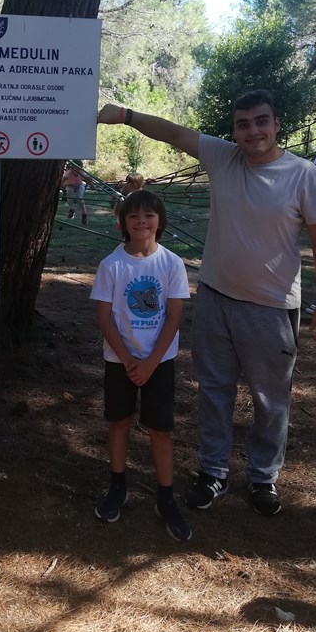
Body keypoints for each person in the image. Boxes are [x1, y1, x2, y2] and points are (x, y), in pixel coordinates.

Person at [98, 90, 316, 516]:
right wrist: (126, 115)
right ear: (235, 130)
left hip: (272, 306)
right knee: (214, 390)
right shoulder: (223, 157)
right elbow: (173, 133)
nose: (253, 131)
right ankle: (213, 473)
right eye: (243, 124)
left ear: (276, 124)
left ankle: (264, 477)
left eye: (261, 121)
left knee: (270, 398)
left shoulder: (304, 175)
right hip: (215, 298)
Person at [90, 190, 192, 541]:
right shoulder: (112, 265)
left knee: (159, 430)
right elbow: (104, 317)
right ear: (123, 222)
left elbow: (175, 315)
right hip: (120, 360)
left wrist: (150, 362)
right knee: (119, 422)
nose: (141, 221)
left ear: (159, 221)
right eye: (133, 216)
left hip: (159, 362)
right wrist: (130, 359)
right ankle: (118, 486)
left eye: (149, 215)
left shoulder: (171, 263)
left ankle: (166, 496)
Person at [62, 160, 89, 225]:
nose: (77, 170)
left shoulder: (82, 172)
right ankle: (71, 209)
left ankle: (84, 215)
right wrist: (61, 186)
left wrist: (94, 186)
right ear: (72, 167)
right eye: (76, 168)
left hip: (79, 185)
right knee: (69, 192)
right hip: (70, 185)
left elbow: (88, 179)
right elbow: (62, 181)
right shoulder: (68, 174)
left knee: (80, 199)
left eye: (79, 168)